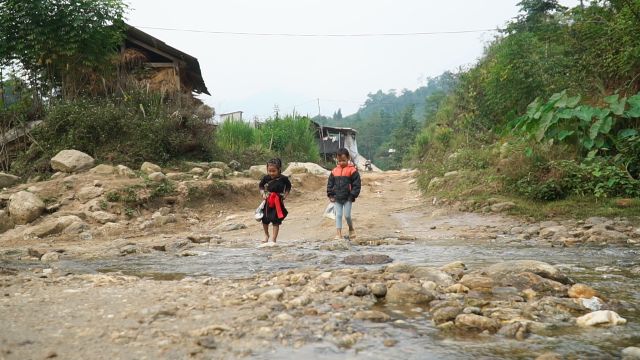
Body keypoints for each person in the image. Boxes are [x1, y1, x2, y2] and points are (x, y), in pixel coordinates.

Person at [327, 148, 361, 240]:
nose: (341, 163)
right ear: (337, 160)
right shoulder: (334, 171)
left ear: (348, 158)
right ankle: (338, 234)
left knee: (347, 215)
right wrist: (330, 195)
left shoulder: (352, 171)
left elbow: (357, 185)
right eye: (339, 161)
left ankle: (351, 228)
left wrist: (352, 195)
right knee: (338, 215)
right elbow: (330, 184)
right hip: (337, 197)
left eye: (344, 160)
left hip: (348, 197)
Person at [258, 158, 291, 246]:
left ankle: (274, 239)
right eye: (269, 171)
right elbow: (261, 185)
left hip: (278, 201)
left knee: (275, 220)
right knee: (264, 219)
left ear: (279, 169)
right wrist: (262, 193)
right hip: (268, 200)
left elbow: (288, 186)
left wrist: (285, 195)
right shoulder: (266, 177)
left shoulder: (284, 178)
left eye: (274, 171)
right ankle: (266, 235)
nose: (271, 173)